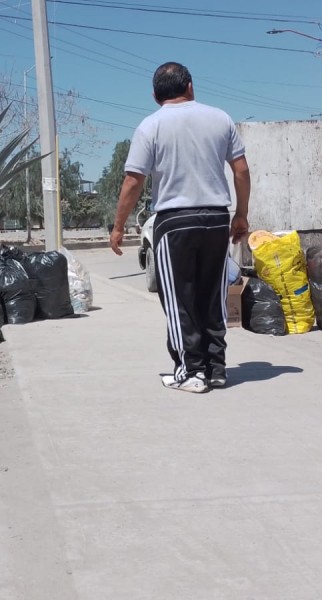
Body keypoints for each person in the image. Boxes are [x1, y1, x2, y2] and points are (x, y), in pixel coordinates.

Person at [109, 61, 251, 393]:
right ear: (190, 87)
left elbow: (133, 180)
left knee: (179, 300)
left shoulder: (150, 126)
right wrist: (240, 214)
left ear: (156, 95)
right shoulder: (220, 118)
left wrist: (118, 226)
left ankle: (191, 372)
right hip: (216, 218)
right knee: (211, 296)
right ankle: (216, 369)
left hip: (175, 222)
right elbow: (241, 171)